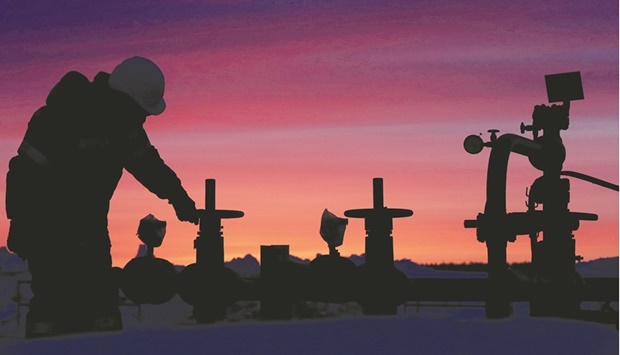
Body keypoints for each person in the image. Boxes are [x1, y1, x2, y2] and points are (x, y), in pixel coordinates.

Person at [5, 56, 199, 337]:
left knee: (100, 307)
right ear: (124, 99)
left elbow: (149, 165)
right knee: (53, 305)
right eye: (140, 110)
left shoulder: (124, 127)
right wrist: (20, 222)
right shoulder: (60, 116)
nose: (143, 118)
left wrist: (178, 197)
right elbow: (23, 173)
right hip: (47, 229)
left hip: (91, 227)